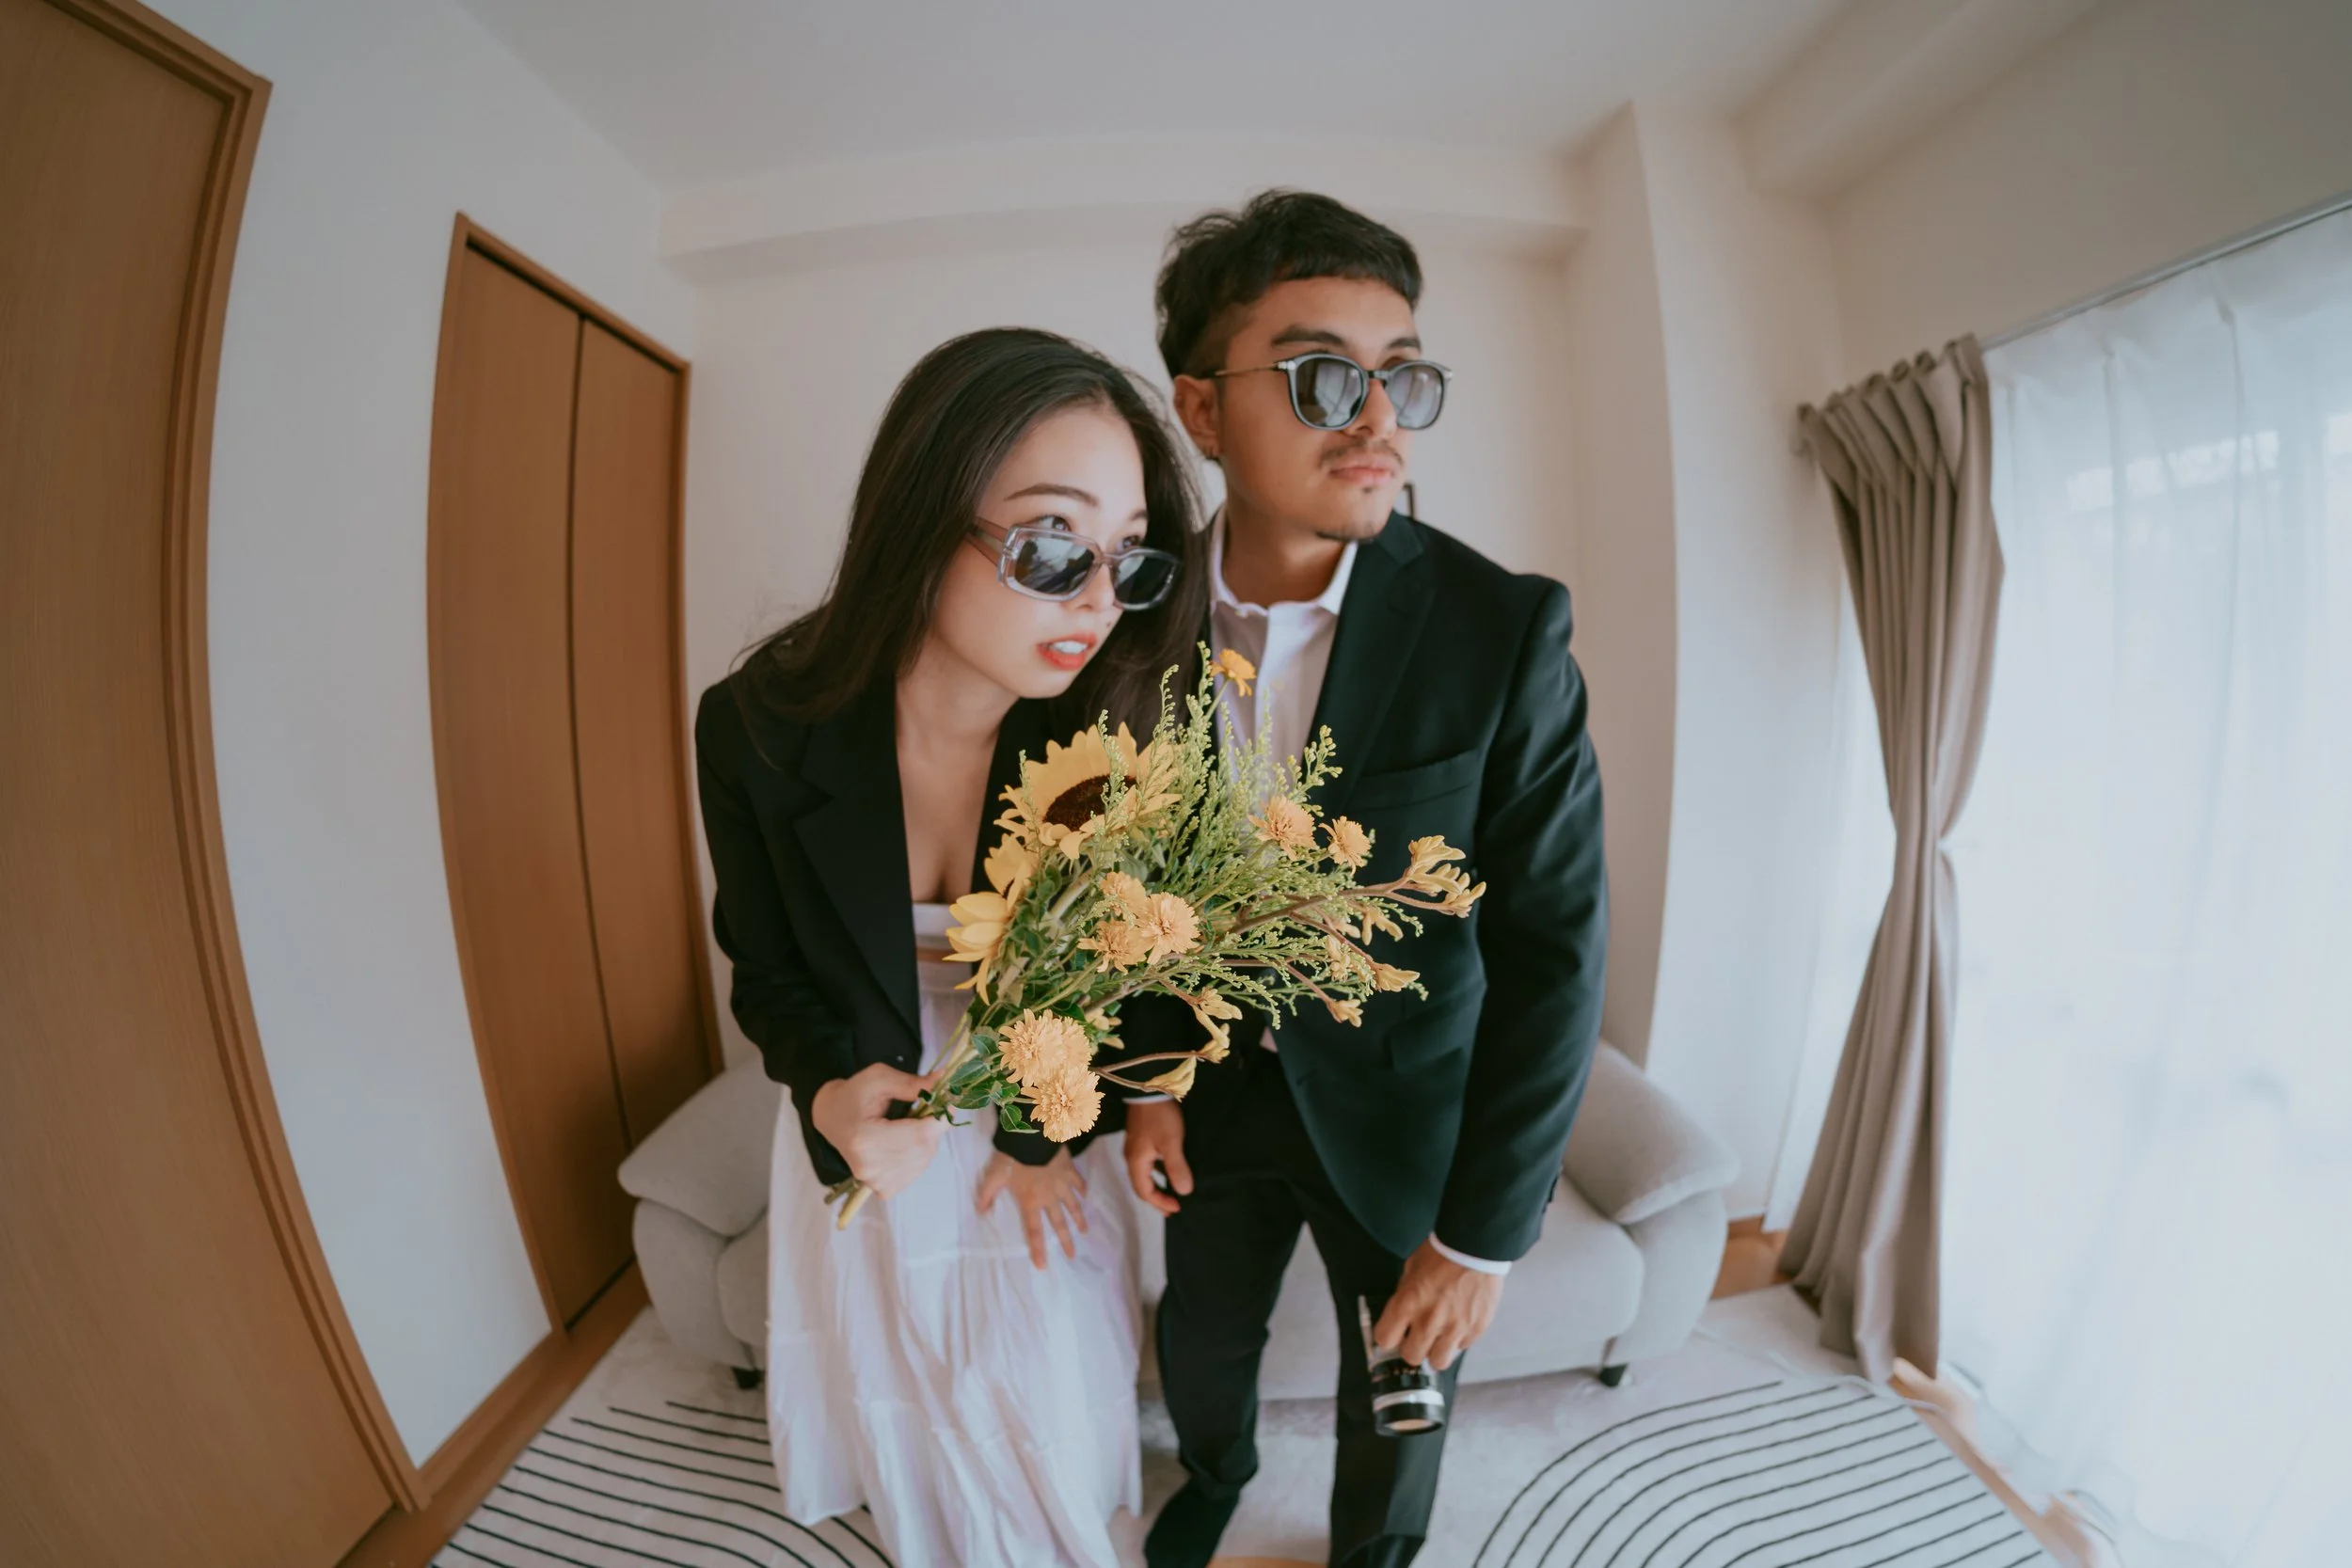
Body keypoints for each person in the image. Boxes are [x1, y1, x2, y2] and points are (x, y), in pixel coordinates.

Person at [1116, 192, 1609, 1568]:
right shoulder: (1121, 617)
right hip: (1214, 1100)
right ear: (1203, 412)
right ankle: (1210, 1479)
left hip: (1408, 1115)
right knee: (1203, 1338)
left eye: (1404, 375)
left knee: (1401, 1398)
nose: (1378, 416)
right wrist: (1148, 1080)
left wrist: (1486, 1231)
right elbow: (1120, 868)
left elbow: (1559, 945)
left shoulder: (1503, 631)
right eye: (1328, 373)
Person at [693, 326, 1208, 1567]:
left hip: (1042, 1096)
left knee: (1037, 1381)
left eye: (1127, 559)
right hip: (869, 1091)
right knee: (911, 1385)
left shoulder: (1122, 727)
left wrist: (1055, 1139)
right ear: (921, 520)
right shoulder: (757, 726)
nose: (1096, 601)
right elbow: (762, 961)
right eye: (1049, 547)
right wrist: (828, 1091)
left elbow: (1132, 979)